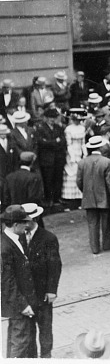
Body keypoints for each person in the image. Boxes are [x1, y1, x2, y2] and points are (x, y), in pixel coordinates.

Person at [22, 203, 62, 359]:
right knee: (28, 331)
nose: (24, 224)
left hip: (43, 292)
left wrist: (52, 290)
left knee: (45, 328)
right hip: (26, 294)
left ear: (35, 218)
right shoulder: (17, 237)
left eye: (27, 221)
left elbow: (55, 265)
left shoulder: (48, 238)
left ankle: (46, 357)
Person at [1, 205, 39, 358]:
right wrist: (23, 305)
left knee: (21, 341)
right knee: (20, 343)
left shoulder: (13, 239)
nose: (27, 225)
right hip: (19, 305)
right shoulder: (4, 248)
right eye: (24, 223)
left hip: (22, 301)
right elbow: (6, 282)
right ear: (16, 225)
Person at [76, 136, 110, 253]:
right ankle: (107, 244)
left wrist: (86, 192)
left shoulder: (82, 162)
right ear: (100, 147)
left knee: (92, 223)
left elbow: (79, 181)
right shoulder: (107, 162)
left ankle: (95, 248)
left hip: (88, 197)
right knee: (106, 221)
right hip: (104, 197)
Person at [34, 108, 66, 207]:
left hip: (58, 158)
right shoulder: (41, 128)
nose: (52, 119)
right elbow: (41, 143)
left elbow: (62, 141)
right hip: (46, 159)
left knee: (58, 178)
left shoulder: (59, 128)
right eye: (50, 117)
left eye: (54, 117)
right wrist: (54, 142)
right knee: (48, 179)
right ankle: (49, 199)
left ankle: (57, 198)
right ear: (46, 118)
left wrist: (50, 142)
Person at [61, 109, 87, 206]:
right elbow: (68, 144)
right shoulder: (68, 129)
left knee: (80, 173)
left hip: (79, 151)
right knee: (71, 172)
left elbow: (83, 143)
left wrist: (85, 154)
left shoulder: (82, 128)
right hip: (71, 152)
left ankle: (79, 195)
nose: (77, 121)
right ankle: (69, 197)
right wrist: (72, 157)